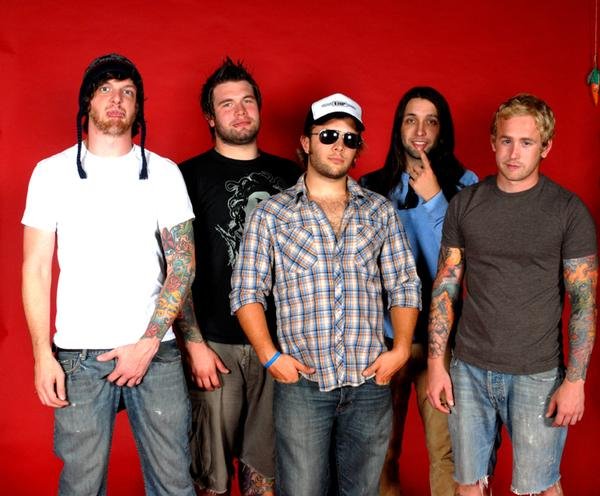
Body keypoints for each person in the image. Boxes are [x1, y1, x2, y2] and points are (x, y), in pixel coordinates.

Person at [21, 53, 196, 494]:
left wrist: (148, 342)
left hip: (155, 352)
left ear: (138, 107)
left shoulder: (163, 173)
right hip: (78, 355)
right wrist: (42, 355)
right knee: (80, 486)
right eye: (105, 89)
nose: (116, 99)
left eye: (128, 92)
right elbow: (36, 268)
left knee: (174, 483)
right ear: (88, 102)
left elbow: (182, 264)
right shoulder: (51, 172)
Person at [230, 93, 421, 496]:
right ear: (306, 142)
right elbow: (246, 290)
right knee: (302, 490)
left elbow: (404, 284)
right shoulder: (272, 214)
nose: (339, 146)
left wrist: (402, 349)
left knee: (361, 491)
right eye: (329, 135)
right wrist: (270, 356)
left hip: (370, 382)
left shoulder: (379, 211)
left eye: (349, 139)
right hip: (303, 385)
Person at [427, 94, 597, 496]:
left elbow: (584, 303)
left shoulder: (568, 211)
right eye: (506, 140)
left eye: (526, 142)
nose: (514, 153)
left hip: (537, 372)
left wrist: (576, 381)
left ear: (545, 147)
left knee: (541, 488)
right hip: (469, 369)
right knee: (468, 485)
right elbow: (446, 286)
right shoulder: (466, 204)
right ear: (493, 142)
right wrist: (437, 364)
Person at [176, 57, 300, 496]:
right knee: (209, 477)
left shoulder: (293, 175)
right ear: (210, 117)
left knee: (265, 475)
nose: (240, 111)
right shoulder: (185, 177)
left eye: (247, 101)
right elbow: (174, 268)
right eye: (227, 104)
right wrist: (193, 344)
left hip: (280, 345)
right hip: (215, 345)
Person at [360, 86, 477, 496]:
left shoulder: (465, 186)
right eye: (411, 120)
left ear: (442, 130)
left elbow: (463, 260)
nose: (420, 130)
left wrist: (434, 199)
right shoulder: (371, 187)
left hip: (441, 342)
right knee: (380, 452)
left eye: (431, 121)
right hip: (384, 339)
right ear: (399, 128)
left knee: (446, 452)